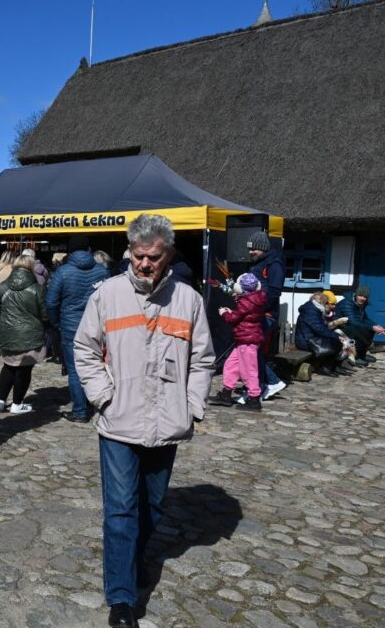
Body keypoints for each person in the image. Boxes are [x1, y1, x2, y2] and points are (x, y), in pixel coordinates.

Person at [74, 214, 214, 628]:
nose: (144, 265)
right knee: (120, 509)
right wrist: (103, 395)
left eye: (153, 257)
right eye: (138, 257)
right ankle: (122, 599)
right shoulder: (108, 295)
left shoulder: (188, 300)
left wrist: (191, 405)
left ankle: (128, 562)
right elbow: (84, 348)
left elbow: (204, 359)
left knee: (151, 506)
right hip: (119, 420)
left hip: (167, 421)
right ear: (129, 253)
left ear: (167, 254)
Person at [46, 234, 110, 423]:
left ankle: (80, 410)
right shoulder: (102, 271)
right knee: (98, 365)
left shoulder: (63, 272)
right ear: (89, 249)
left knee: (75, 369)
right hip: (97, 325)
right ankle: (97, 401)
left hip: (71, 325)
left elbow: (50, 301)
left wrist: (55, 322)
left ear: (70, 251)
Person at [0, 255, 48, 414]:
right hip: (30, 334)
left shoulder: (3, 286)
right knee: (24, 370)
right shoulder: (37, 289)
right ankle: (17, 403)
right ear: (31, 267)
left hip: (8, 332)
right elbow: (44, 314)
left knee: (8, 367)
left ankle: (1, 400)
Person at [210, 272, 265, 410]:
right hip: (244, 338)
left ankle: (254, 399)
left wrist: (225, 313)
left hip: (247, 340)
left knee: (248, 370)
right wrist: (231, 311)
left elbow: (233, 319)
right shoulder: (252, 300)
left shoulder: (247, 301)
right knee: (231, 365)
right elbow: (241, 316)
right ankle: (226, 393)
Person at [246, 231, 288, 399]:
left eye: (254, 249)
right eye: (249, 249)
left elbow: (273, 292)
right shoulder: (258, 263)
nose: (250, 252)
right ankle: (260, 384)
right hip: (256, 312)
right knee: (250, 350)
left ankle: (272, 381)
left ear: (262, 248)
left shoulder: (274, 264)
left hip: (266, 314)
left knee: (251, 350)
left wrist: (258, 308)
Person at [294, 292, 348, 376]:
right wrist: (337, 336)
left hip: (311, 338)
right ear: (320, 302)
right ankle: (325, 368)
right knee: (336, 343)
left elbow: (321, 327)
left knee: (336, 341)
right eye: (326, 302)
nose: (327, 305)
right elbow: (319, 329)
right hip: (305, 341)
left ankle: (333, 366)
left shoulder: (314, 309)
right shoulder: (310, 311)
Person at [335, 286, 384, 365]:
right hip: (339, 328)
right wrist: (372, 327)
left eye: (365, 297)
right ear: (356, 295)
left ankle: (362, 355)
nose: (362, 298)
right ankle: (355, 356)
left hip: (349, 325)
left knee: (369, 330)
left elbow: (365, 318)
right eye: (360, 295)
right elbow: (353, 322)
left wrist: (375, 326)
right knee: (357, 329)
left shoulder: (359, 304)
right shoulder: (347, 303)